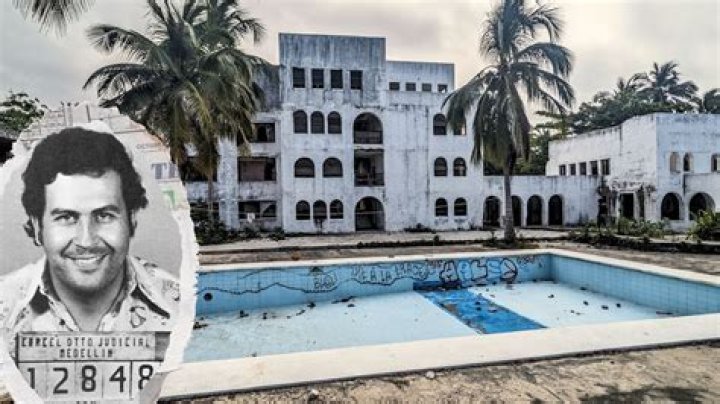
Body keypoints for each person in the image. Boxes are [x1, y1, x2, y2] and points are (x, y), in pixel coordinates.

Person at [0, 127, 179, 338]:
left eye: (104, 215)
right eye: (66, 217)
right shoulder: (6, 305)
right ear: (37, 227)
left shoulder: (179, 303)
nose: (86, 241)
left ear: (131, 220)